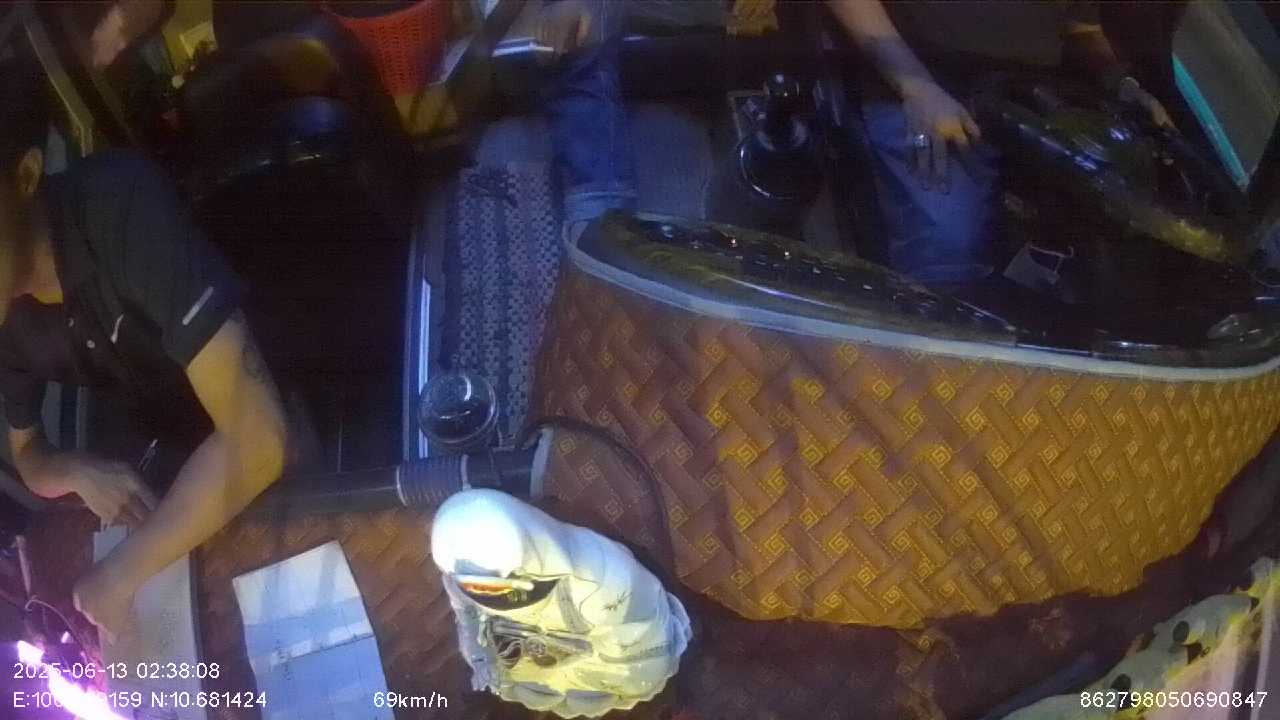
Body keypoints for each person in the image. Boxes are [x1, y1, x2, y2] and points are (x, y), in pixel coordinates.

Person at [0, 58, 286, 643]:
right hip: (184, 455)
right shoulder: (7, 313)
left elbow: (262, 439)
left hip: (286, 395)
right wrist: (76, 470)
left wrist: (120, 575)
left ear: (25, 176)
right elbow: (27, 455)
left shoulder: (118, 207)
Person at [826, 0, 1174, 284]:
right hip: (928, 88)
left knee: (1121, 238)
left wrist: (1122, 84)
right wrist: (917, 88)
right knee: (950, 245)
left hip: (1032, 102)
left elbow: (1081, 30)